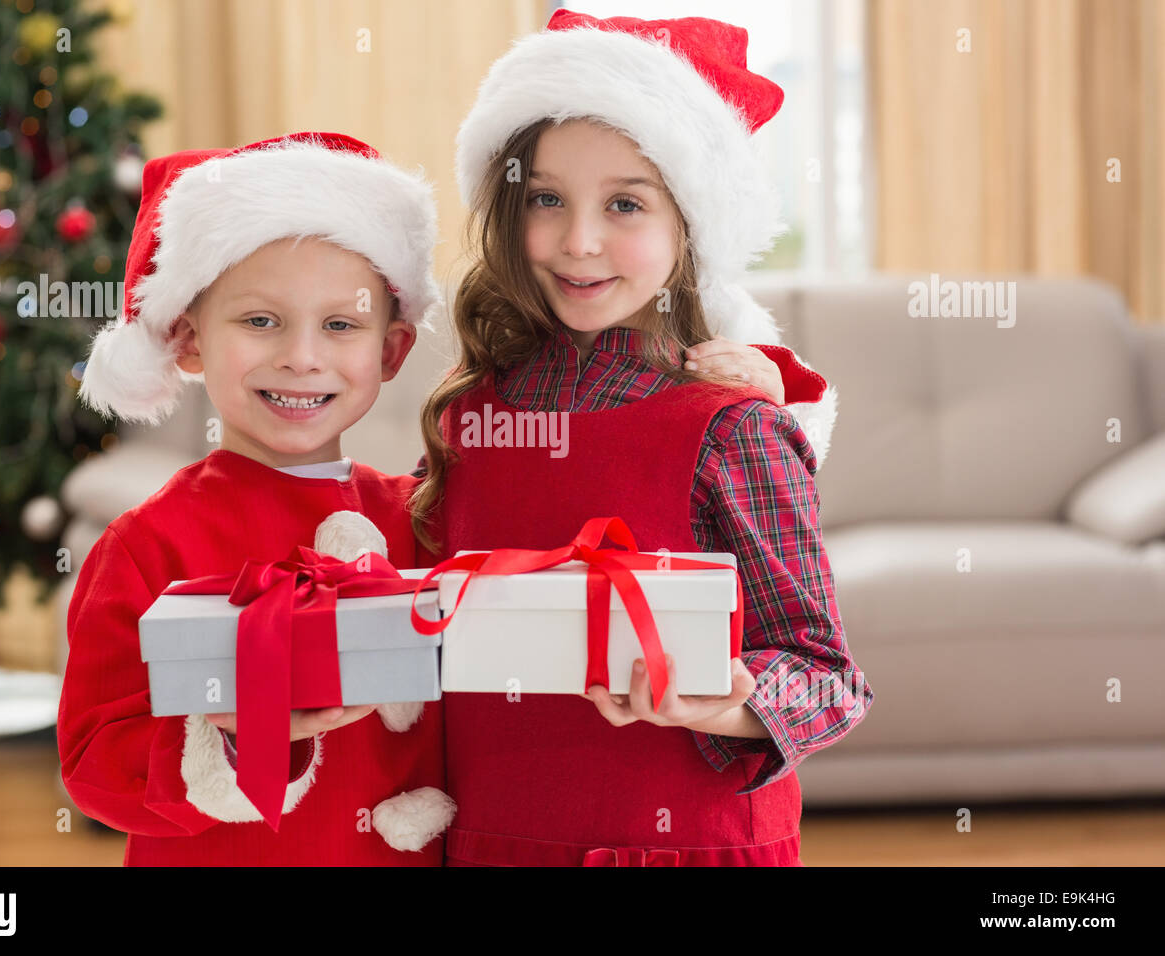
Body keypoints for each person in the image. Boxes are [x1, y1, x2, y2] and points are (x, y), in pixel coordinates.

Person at [409, 10, 874, 866]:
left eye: (625, 203)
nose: (579, 241)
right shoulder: (465, 418)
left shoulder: (735, 428)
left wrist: (723, 699)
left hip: (688, 845)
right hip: (492, 841)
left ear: (688, 228)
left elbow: (828, 680)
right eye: (546, 199)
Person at [59, 132, 455, 865]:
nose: (301, 356)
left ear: (391, 351)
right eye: (260, 320)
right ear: (188, 340)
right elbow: (93, 765)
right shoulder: (149, 544)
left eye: (341, 325)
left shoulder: (427, 519)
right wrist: (235, 737)